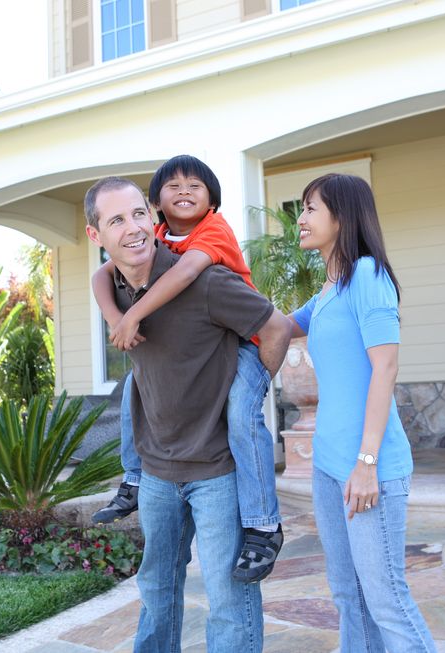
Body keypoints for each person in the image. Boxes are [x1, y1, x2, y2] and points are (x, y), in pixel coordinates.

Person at [84, 176, 292, 652]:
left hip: (216, 470)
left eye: (139, 214)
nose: (133, 228)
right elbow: (101, 281)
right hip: (156, 472)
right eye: (116, 220)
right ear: (97, 236)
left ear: (153, 218)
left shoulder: (206, 281)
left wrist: (249, 387)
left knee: (227, 599)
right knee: (156, 592)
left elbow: (277, 329)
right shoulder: (113, 287)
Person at [290, 173, 437, 653]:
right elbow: (276, 326)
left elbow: (386, 366)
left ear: (343, 216)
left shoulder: (368, 276)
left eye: (312, 208)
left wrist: (367, 463)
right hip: (330, 466)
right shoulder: (329, 291)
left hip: (368, 466)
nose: (301, 217)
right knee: (348, 596)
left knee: (386, 598)